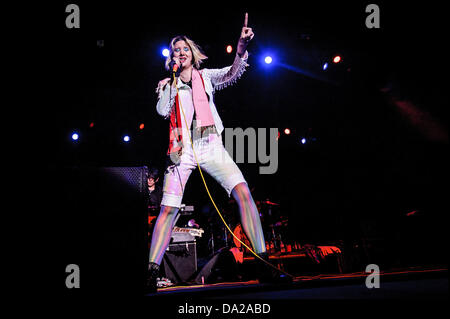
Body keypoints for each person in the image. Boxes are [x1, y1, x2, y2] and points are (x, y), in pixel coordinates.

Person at [147, 13, 290, 292]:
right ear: (171, 58)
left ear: (193, 53)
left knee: (243, 193)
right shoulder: (170, 85)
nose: (180, 52)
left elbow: (233, 73)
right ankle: (150, 272)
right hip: (181, 150)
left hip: (210, 145)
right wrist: (168, 85)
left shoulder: (206, 77)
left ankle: (263, 263)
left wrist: (240, 50)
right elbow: (162, 111)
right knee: (167, 210)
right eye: (175, 50)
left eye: (184, 48)